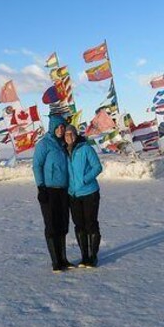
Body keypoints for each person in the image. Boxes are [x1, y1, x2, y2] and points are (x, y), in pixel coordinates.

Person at [32, 114, 74, 272]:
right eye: (58, 127)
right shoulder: (44, 144)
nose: (61, 130)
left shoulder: (64, 144)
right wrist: (41, 186)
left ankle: (63, 259)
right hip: (49, 191)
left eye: (63, 127)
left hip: (64, 190)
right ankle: (56, 261)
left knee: (63, 224)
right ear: (52, 127)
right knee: (51, 225)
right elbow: (37, 166)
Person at [64, 126, 103, 267]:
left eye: (71, 134)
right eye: (66, 134)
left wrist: (84, 180)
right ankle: (84, 256)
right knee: (79, 226)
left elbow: (97, 167)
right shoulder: (64, 151)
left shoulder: (85, 148)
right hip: (73, 194)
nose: (69, 137)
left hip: (89, 193)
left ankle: (93, 256)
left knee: (91, 224)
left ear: (76, 134)